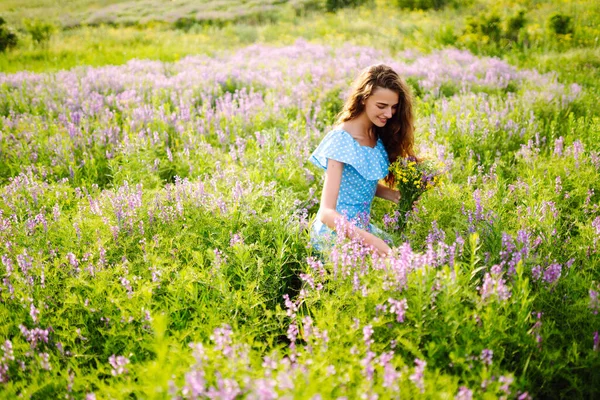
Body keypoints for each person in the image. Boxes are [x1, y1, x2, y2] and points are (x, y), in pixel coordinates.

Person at [309, 64, 417, 256]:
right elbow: (326, 213)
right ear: (363, 99)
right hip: (336, 232)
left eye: (393, 107)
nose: (389, 114)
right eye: (381, 106)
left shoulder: (377, 133)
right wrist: (371, 240)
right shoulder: (342, 140)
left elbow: (357, 184)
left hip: (361, 228)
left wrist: (395, 195)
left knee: (407, 256)